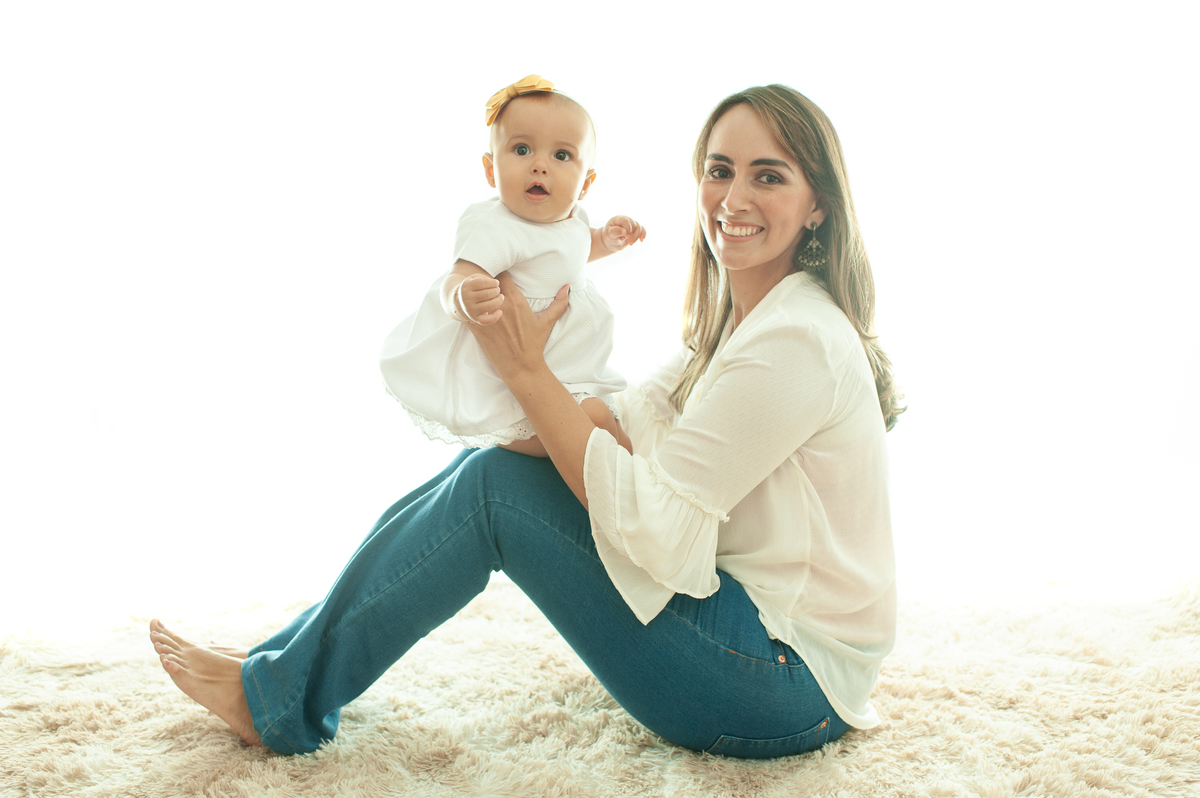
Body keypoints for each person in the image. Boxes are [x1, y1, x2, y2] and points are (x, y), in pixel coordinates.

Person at [150, 83, 904, 760]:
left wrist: (525, 370)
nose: (732, 198)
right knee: (492, 471)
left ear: (818, 204)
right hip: (759, 647)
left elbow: (665, 537)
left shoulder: (796, 340)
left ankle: (277, 695)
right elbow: (629, 420)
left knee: (491, 492)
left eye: (767, 176)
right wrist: (528, 400)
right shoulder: (741, 322)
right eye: (719, 170)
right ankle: (283, 669)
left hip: (783, 682)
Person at [379, 75, 645, 457]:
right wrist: (462, 297)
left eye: (561, 155)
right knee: (593, 423)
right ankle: (555, 453)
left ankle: (640, 483)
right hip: (516, 372)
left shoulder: (571, 218)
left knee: (607, 423)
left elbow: (572, 253)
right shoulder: (494, 226)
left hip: (568, 359)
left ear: (585, 184)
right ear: (490, 170)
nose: (540, 166)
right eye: (522, 150)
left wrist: (606, 239)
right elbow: (460, 274)